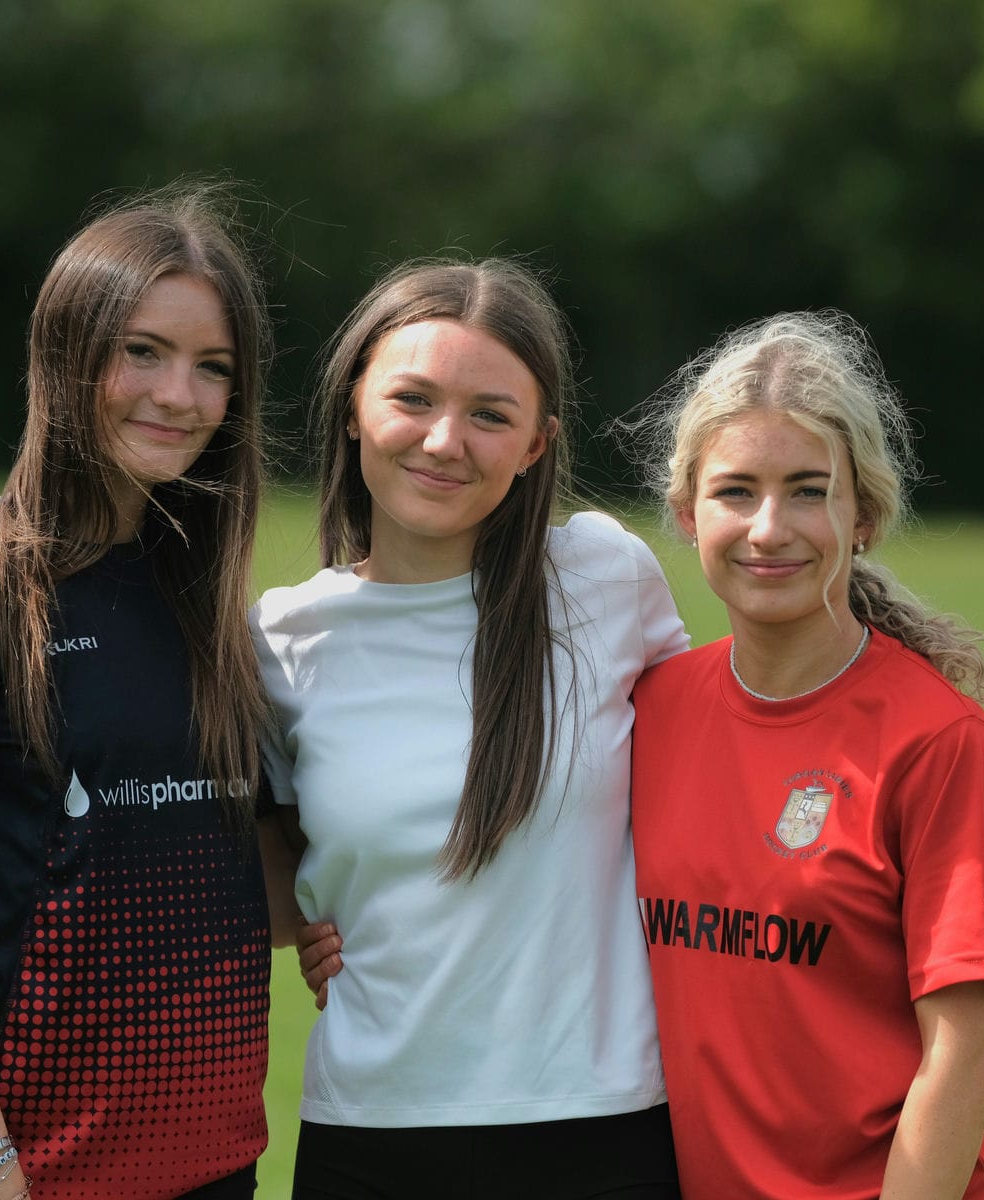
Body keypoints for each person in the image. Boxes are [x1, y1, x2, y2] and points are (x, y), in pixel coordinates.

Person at [0, 183, 291, 1200]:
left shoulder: (200, 596)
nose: (179, 394)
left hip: (209, 1163)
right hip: (16, 1170)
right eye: (143, 350)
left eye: (214, 367)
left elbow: (246, 882)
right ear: (65, 352)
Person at [251, 259, 689, 1199]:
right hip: (368, 1139)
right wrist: (318, 918)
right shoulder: (281, 638)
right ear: (352, 406)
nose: (445, 441)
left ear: (537, 444)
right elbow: (271, 857)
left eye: (490, 414)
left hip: (602, 1133)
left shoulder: (608, 578)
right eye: (412, 399)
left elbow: (726, 754)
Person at [629, 310, 984, 1198]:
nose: (769, 528)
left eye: (809, 491)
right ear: (688, 514)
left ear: (865, 516)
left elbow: (962, 1052)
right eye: (736, 492)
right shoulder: (650, 709)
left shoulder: (939, 746)